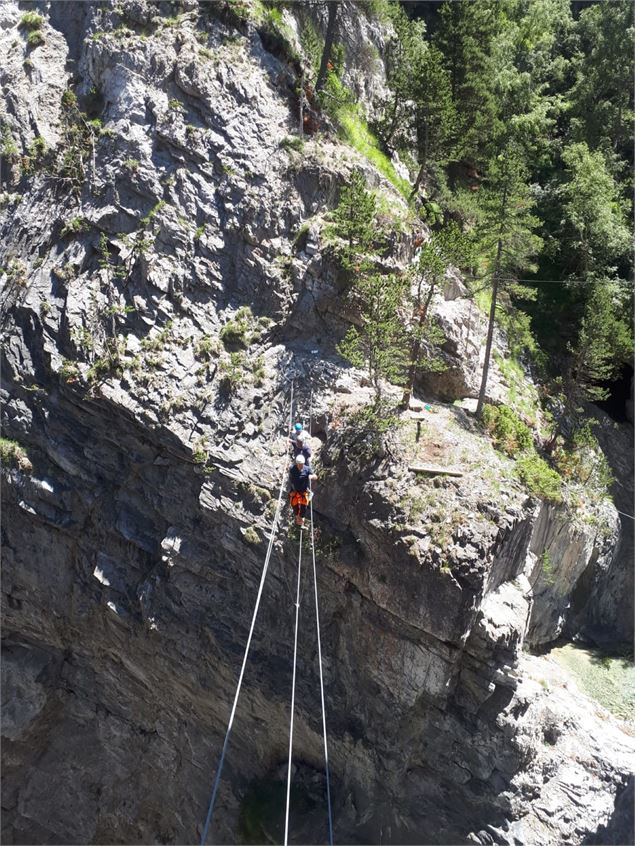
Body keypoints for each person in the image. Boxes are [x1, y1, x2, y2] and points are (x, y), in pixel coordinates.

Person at [288, 454, 316, 527]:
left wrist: (312, 476)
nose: (301, 466)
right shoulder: (292, 469)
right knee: (295, 507)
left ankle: (301, 519)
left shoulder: (307, 469)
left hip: (303, 491)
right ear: (297, 463)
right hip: (295, 491)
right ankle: (298, 518)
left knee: (303, 508)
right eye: (299, 464)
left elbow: (315, 476)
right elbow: (290, 480)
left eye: (302, 464)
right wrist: (290, 490)